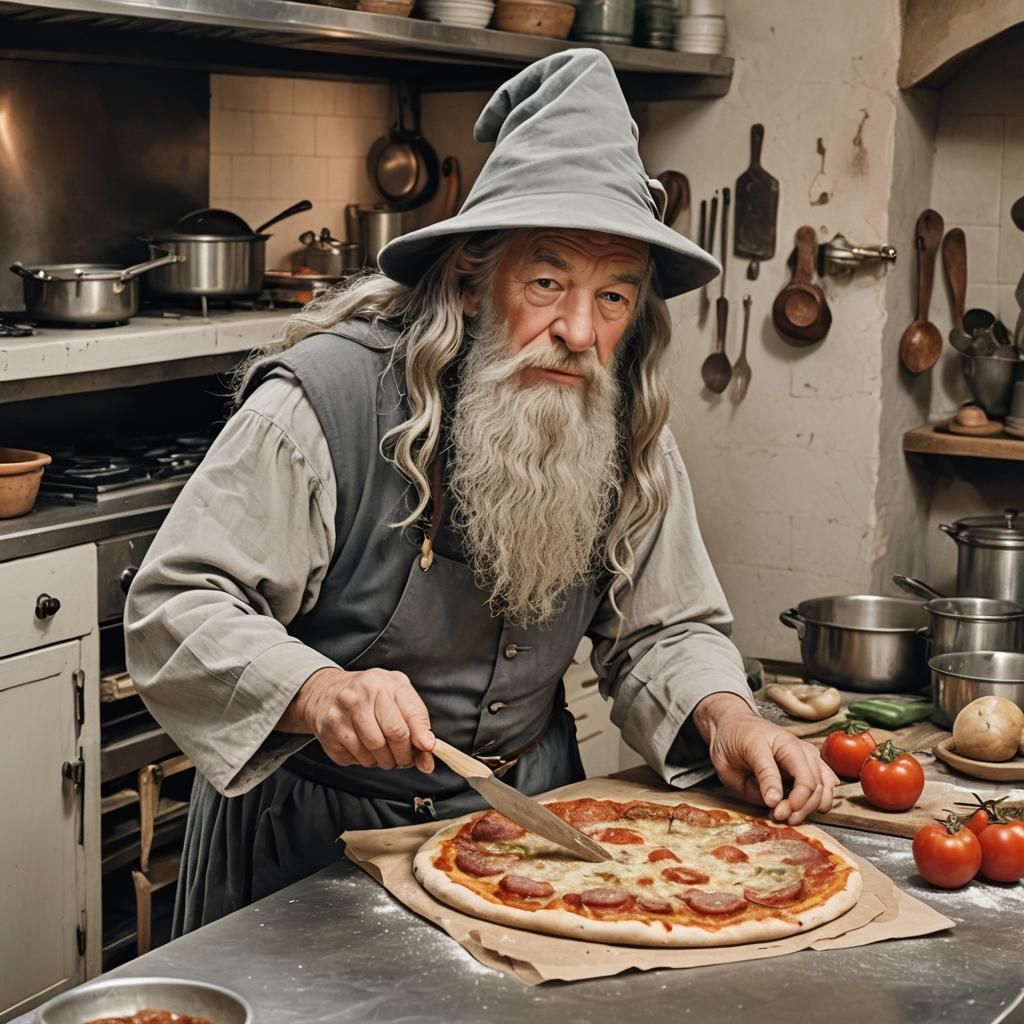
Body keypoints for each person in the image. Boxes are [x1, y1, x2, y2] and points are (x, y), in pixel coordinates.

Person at [125, 48, 838, 935]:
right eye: (547, 283)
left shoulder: (624, 427)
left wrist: (726, 715)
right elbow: (178, 606)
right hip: (307, 847)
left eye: (613, 298)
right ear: (469, 279)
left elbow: (664, 628)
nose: (578, 330)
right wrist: (317, 690)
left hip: (535, 838)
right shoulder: (322, 402)